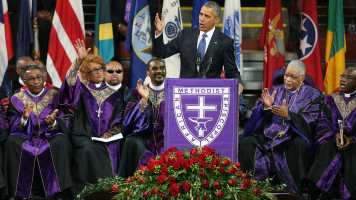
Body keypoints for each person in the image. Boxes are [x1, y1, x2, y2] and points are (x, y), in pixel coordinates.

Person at [239, 60, 323, 196]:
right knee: (247, 142)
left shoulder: (313, 95)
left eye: (293, 77)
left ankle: (293, 193)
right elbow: (256, 113)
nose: (288, 79)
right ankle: (254, 191)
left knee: (300, 144)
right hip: (268, 139)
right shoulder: (274, 90)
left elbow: (313, 120)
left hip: (292, 139)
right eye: (286, 75)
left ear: (302, 78)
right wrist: (265, 107)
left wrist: (289, 116)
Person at [62, 40, 134, 194]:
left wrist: (112, 132)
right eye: (95, 70)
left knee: (111, 146)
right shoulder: (81, 90)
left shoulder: (115, 95)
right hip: (84, 136)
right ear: (86, 74)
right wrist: (79, 62)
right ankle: (85, 192)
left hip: (107, 138)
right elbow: (69, 83)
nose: (100, 72)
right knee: (89, 148)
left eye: (101, 68)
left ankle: (109, 190)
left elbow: (120, 118)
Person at [3, 65, 73, 199]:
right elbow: (11, 124)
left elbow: (66, 118)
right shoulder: (16, 98)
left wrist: (53, 122)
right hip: (26, 137)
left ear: (44, 78)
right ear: (24, 82)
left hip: (49, 136)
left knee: (61, 141)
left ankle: (60, 192)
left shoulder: (55, 95)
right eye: (31, 79)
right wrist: (24, 118)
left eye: (39, 77)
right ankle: (18, 193)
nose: (36, 81)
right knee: (11, 143)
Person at [154, 1, 243, 94]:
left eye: (207, 16)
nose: (202, 19)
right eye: (201, 14)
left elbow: (231, 71)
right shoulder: (185, 35)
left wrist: (238, 83)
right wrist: (159, 33)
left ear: (217, 20)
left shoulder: (225, 42)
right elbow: (161, 53)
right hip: (185, 93)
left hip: (211, 95)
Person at [307, 67, 356, 200]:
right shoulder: (330, 99)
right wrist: (334, 134)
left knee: (352, 150)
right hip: (331, 139)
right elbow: (323, 122)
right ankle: (319, 192)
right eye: (342, 76)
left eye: (349, 78)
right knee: (327, 147)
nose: (343, 80)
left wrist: (351, 139)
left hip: (353, 142)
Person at [118, 58, 166, 178]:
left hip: (165, 139)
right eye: (154, 68)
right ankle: (136, 183)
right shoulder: (136, 93)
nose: (159, 71)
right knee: (131, 141)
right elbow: (127, 125)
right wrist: (143, 100)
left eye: (162, 68)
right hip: (145, 139)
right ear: (148, 73)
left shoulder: (174, 92)